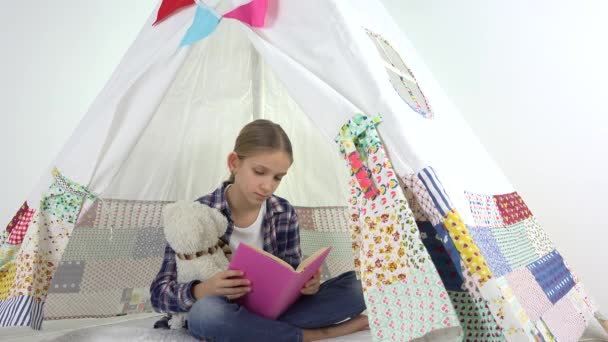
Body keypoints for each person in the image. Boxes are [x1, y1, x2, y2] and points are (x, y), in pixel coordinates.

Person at [150, 119, 368, 341]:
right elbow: (158, 294)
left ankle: (251, 331)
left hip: (273, 311)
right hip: (220, 309)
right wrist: (203, 290)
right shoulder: (195, 214)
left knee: (360, 287)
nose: (268, 186)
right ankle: (316, 334)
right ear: (234, 163)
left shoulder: (283, 212)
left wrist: (306, 285)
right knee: (207, 315)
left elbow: (290, 272)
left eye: (277, 177)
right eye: (259, 172)